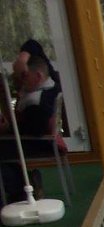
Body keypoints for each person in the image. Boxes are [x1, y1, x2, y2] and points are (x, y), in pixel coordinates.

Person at [1, 54, 58, 202]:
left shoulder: (36, 102)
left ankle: (18, 187)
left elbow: (35, 130)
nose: (21, 80)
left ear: (38, 76)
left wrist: (8, 129)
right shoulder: (51, 86)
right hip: (39, 139)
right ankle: (25, 181)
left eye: (24, 76)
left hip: (37, 142)